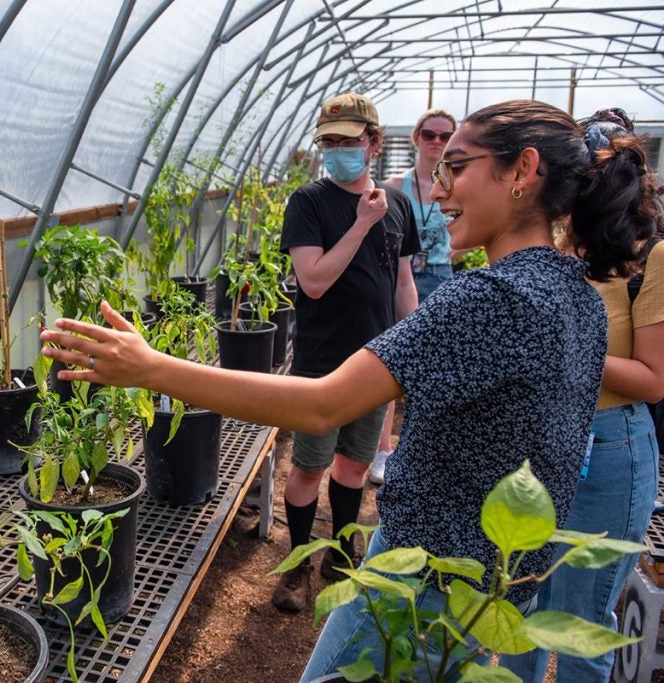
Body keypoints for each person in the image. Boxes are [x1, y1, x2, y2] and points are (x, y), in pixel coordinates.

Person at [37, 99, 656, 678]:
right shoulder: (576, 295)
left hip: (421, 586)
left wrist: (152, 368)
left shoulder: (490, 296)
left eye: (458, 168)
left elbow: (320, 404)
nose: (438, 189)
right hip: (497, 591)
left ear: (523, 170)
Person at [500, 107, 664, 682]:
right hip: (539, 442)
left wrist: (570, 347)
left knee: (577, 629)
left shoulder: (650, 257)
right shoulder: (541, 246)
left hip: (610, 449)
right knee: (517, 612)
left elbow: (652, 377)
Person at [274, 92, 419, 611]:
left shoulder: (399, 205)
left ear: (373, 144)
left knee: (355, 467)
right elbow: (311, 282)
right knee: (308, 468)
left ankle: (338, 552)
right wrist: (360, 222)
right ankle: (297, 565)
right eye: (328, 143)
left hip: (378, 361)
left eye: (348, 142)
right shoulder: (308, 203)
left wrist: (412, 343)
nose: (337, 152)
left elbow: (403, 283)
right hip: (321, 363)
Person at [370, 108, 458, 486]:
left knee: (433, 368)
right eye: (429, 134)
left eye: (445, 135)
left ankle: (418, 450)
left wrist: (443, 254)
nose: (436, 141)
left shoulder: (458, 185)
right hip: (401, 276)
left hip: (439, 277)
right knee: (393, 363)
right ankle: (383, 450)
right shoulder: (396, 185)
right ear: (416, 138)